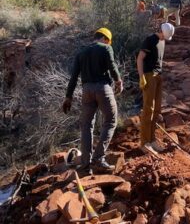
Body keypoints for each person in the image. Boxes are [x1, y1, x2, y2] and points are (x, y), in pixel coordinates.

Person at [62, 28, 123, 174]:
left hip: (86, 90)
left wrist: (68, 97)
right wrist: (119, 81)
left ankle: (85, 165)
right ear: (105, 39)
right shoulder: (106, 48)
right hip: (103, 88)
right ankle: (98, 159)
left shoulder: (81, 52)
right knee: (110, 121)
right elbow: (112, 66)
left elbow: (74, 77)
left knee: (86, 125)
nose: (109, 43)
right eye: (109, 41)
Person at [137, 22, 175, 154]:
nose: (165, 39)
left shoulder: (162, 41)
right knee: (148, 109)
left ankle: (152, 139)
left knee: (156, 109)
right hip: (149, 75)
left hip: (158, 76)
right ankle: (144, 143)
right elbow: (140, 59)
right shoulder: (150, 40)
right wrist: (142, 77)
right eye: (165, 36)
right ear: (162, 32)